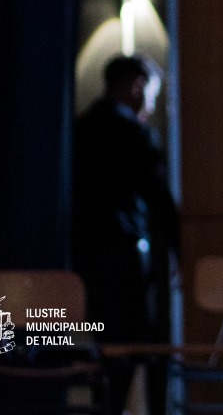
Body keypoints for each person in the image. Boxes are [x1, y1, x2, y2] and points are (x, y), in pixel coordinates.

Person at [72, 54, 177, 415]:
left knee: (105, 344)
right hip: (128, 255)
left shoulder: (79, 127)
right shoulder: (135, 134)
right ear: (135, 87)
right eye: (150, 93)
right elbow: (158, 199)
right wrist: (180, 248)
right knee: (137, 343)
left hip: (84, 253)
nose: (150, 103)